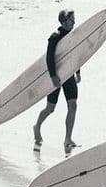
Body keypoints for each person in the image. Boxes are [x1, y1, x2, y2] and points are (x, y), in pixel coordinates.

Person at [32, 9, 80, 154]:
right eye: (71, 19)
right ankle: (37, 126)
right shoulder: (55, 37)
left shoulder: (74, 36)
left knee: (73, 106)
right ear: (64, 21)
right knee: (50, 108)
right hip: (56, 76)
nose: (74, 22)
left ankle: (68, 139)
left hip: (68, 75)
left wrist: (77, 72)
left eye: (74, 19)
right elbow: (49, 58)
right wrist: (53, 76)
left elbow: (77, 54)